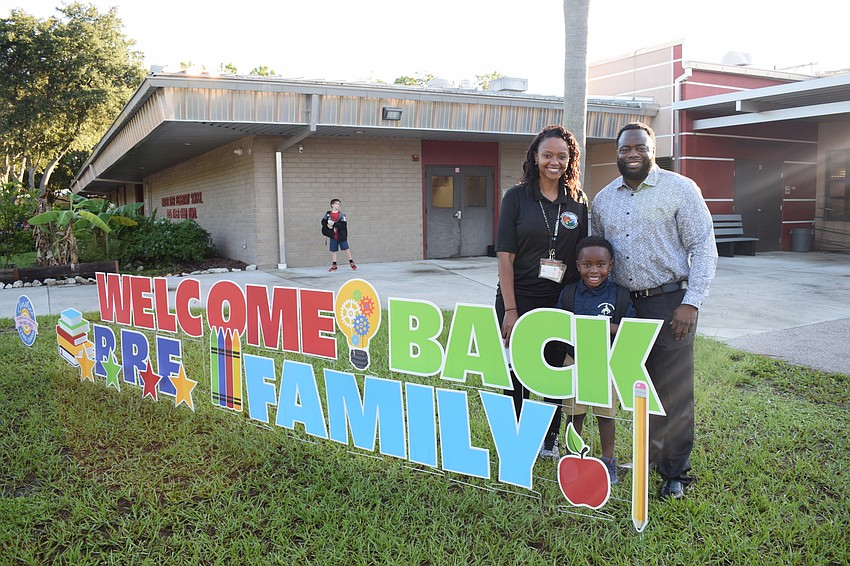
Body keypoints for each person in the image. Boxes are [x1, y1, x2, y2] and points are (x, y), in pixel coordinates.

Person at [591, 122, 717, 499]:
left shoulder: (680, 189)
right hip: (624, 305)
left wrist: (691, 302)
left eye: (639, 148)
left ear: (652, 149)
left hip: (669, 303)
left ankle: (674, 473)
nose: (632, 154)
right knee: (640, 389)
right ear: (617, 153)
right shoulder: (603, 199)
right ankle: (648, 456)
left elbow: (704, 248)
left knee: (675, 392)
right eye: (625, 149)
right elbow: (599, 253)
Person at [495, 125, 588, 460]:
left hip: (560, 301)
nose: (554, 162)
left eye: (561, 156)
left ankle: (549, 439)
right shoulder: (516, 198)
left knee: (552, 374)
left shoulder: (577, 201)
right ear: (535, 158)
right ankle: (516, 439)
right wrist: (510, 310)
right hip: (518, 297)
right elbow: (505, 256)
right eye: (547, 155)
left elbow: (582, 257)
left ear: (570, 159)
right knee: (515, 372)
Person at [557, 235, 636, 485]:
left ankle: (608, 461)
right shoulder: (568, 293)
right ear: (578, 265)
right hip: (575, 361)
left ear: (610, 266)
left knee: (606, 415)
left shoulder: (620, 295)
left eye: (600, 265)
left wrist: (601, 327)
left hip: (606, 362)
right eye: (587, 264)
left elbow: (630, 328)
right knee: (574, 414)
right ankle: (573, 459)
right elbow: (558, 326)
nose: (594, 270)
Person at [321, 198, 357, 272]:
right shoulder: (328, 214)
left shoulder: (341, 215)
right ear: (332, 205)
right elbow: (323, 221)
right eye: (337, 204)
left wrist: (334, 224)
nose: (339, 205)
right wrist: (327, 225)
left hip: (341, 235)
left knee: (346, 249)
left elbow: (343, 225)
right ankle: (334, 265)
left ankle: (351, 262)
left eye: (339, 204)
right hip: (332, 235)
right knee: (333, 250)